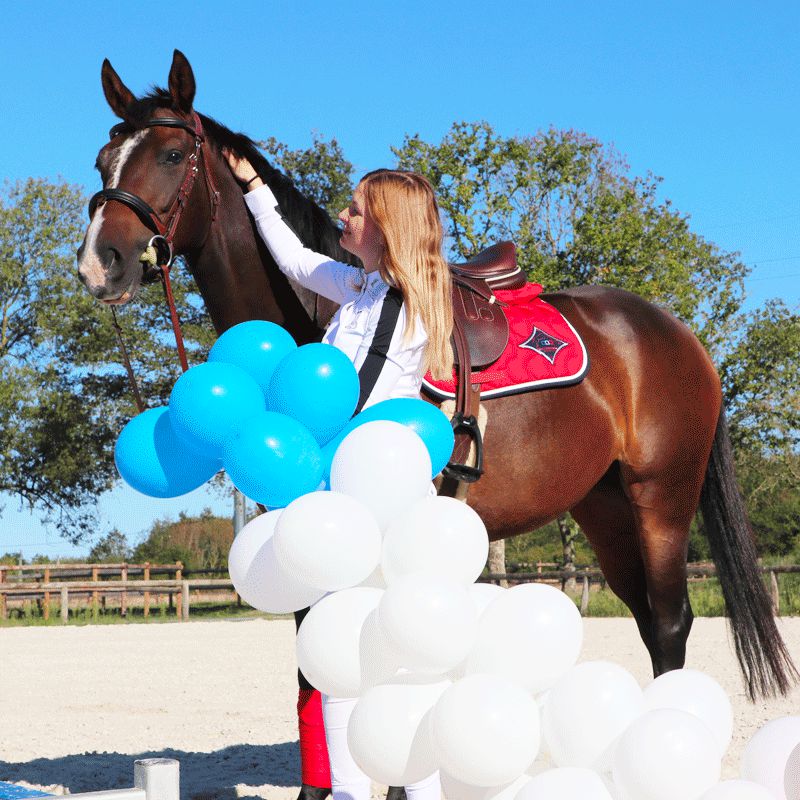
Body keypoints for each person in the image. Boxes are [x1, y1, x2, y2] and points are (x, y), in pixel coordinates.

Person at [225, 150, 453, 800]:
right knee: (339, 650)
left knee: (392, 652)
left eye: (355, 209)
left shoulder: (403, 303)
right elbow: (294, 260)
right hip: (338, 491)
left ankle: (416, 788)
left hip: (372, 492)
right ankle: (355, 790)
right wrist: (255, 190)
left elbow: (360, 405)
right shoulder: (359, 289)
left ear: (387, 228)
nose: (342, 216)